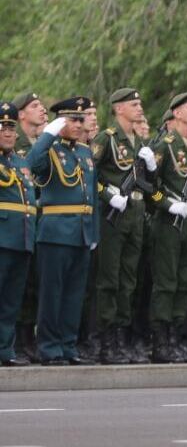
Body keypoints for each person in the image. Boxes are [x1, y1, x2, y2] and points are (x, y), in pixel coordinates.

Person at [30, 97, 99, 365]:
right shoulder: (49, 150)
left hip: (81, 232)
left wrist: (93, 234)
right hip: (55, 233)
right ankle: (49, 347)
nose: (79, 125)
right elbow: (33, 165)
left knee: (74, 294)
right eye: (73, 119)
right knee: (52, 293)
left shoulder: (83, 153)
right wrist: (47, 135)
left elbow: (91, 195)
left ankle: (68, 346)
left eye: (82, 120)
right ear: (60, 121)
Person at [144, 92, 187, 363]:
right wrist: (166, 203)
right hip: (169, 222)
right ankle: (161, 341)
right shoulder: (165, 146)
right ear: (177, 113)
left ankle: (176, 336)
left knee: (185, 283)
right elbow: (149, 186)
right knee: (166, 282)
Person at [90, 88, 150, 364]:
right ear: (118, 109)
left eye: (139, 104)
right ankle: (105, 339)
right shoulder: (107, 139)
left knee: (128, 279)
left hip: (135, 214)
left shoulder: (138, 141)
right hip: (113, 216)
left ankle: (121, 335)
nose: (139, 109)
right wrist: (107, 195)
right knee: (109, 279)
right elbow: (90, 175)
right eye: (133, 104)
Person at [0, 101, 37, 366]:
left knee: (12, 300)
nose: (8, 133)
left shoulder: (20, 163)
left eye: (11, 128)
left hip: (21, 239)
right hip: (2, 238)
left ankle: (5, 349)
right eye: (2, 128)